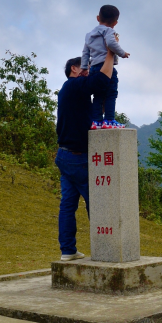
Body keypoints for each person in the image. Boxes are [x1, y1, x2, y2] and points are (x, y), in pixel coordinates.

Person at [55, 43, 116, 261]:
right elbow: (100, 80)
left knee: (68, 204)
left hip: (64, 155)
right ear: (74, 69)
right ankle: (106, 249)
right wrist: (110, 54)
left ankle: (68, 250)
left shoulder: (69, 90)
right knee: (97, 201)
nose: (89, 69)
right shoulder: (74, 86)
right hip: (78, 157)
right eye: (85, 66)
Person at [81, 4, 130, 128]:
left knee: (98, 95)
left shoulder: (89, 35)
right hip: (106, 67)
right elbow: (111, 43)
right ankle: (109, 120)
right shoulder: (109, 31)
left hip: (94, 68)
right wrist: (122, 53)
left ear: (98, 18)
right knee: (111, 94)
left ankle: (96, 121)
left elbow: (85, 53)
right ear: (115, 22)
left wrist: (84, 67)